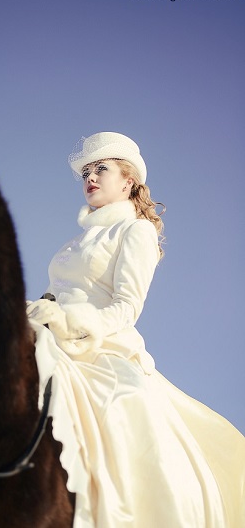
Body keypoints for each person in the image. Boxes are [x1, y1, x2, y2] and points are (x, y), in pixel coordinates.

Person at [27, 132, 245, 528]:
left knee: (123, 409)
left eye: (101, 169)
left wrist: (72, 322)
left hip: (99, 347)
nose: (90, 177)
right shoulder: (76, 241)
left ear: (128, 182)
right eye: (86, 172)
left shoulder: (135, 231)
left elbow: (126, 307)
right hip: (48, 337)